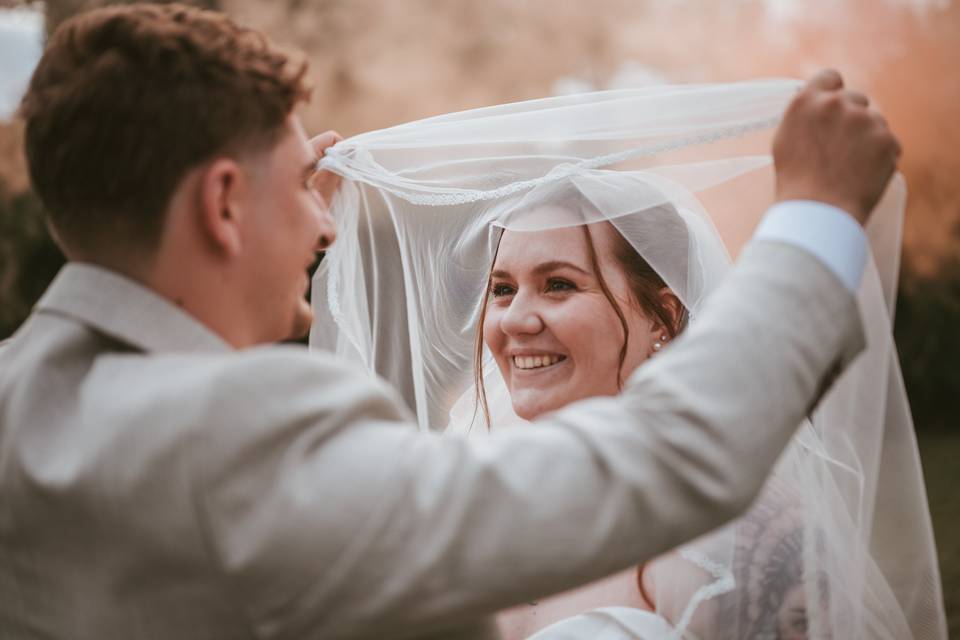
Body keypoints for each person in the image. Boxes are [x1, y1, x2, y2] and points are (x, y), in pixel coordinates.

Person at [0, 4, 913, 640]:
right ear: (223, 204)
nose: (323, 225)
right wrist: (814, 220)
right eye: (298, 195)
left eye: (556, 283)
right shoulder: (242, 443)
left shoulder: (20, 400)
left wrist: (247, 243)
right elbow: (667, 460)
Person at [312, 80, 945, 638]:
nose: (515, 320)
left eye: (559, 284)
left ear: (665, 316)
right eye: (502, 289)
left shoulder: (748, 535)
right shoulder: (476, 499)